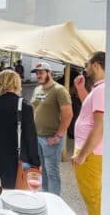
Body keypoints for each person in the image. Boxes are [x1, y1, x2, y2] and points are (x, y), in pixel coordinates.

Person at [0, 70, 40, 188]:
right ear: (16, 83)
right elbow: (30, 137)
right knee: (14, 191)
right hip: (16, 159)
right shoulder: (24, 106)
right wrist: (36, 162)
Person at [30, 62, 72, 195]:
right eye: (36, 73)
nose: (38, 75)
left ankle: (55, 203)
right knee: (43, 170)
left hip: (52, 138)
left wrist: (58, 136)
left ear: (49, 72)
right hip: (38, 135)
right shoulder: (37, 89)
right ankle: (46, 197)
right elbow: (34, 108)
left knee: (52, 172)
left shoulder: (59, 90)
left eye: (41, 72)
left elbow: (68, 114)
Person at [72, 51, 105, 215]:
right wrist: (80, 89)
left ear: (96, 65)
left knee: (94, 199)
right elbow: (91, 111)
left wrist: (81, 155)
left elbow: (100, 126)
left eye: (86, 65)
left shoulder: (102, 89)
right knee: (93, 198)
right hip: (90, 152)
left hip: (90, 154)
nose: (85, 69)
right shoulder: (99, 88)